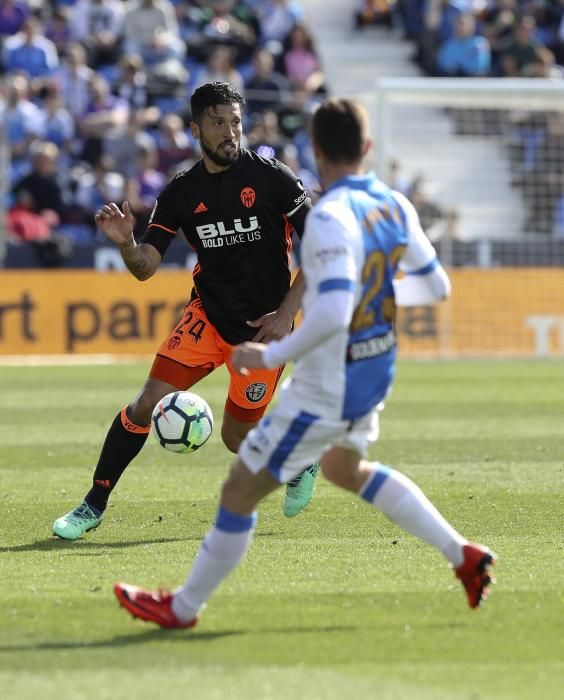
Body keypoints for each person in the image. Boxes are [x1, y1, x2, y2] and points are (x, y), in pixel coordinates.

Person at [113, 97, 496, 630]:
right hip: (376, 366)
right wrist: (377, 294)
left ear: (316, 151)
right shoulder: (394, 204)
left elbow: (334, 311)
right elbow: (436, 286)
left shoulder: (332, 216)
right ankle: (463, 554)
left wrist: (272, 353)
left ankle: (181, 608)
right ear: (367, 148)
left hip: (330, 378)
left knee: (239, 489)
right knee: (346, 468)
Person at [53, 82, 319, 540]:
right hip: (207, 318)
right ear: (196, 129)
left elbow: (321, 251)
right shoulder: (181, 191)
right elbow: (145, 268)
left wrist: (284, 314)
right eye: (218, 123)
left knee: (236, 439)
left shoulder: (273, 178)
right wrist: (127, 245)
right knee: (143, 405)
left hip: (263, 332)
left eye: (235, 122)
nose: (230, 132)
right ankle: (91, 505)